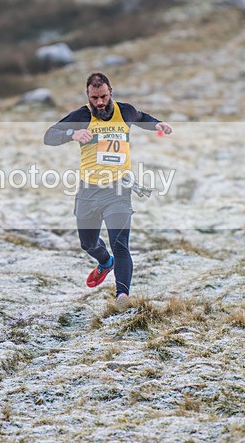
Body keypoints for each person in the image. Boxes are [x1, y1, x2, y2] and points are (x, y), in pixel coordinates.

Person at [43, 72, 172, 311]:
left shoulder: (125, 111)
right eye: (95, 98)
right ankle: (105, 262)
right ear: (88, 95)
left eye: (103, 96)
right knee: (88, 243)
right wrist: (72, 134)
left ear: (110, 92)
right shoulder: (82, 116)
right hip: (89, 191)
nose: (100, 102)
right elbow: (49, 136)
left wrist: (157, 124)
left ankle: (122, 295)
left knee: (120, 244)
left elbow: (142, 117)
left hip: (118, 191)